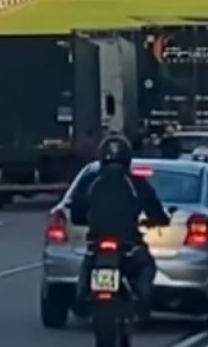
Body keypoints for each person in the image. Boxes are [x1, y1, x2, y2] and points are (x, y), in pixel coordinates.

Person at [69, 134, 171, 318]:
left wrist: (86, 219)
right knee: (147, 266)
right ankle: (141, 299)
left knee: (89, 261)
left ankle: (81, 295)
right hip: (127, 240)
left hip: (98, 239)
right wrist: (158, 220)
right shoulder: (135, 182)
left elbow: (76, 210)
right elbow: (154, 209)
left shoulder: (91, 180)